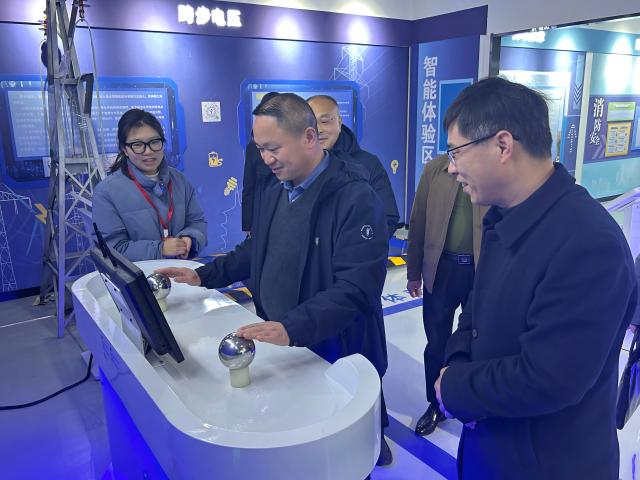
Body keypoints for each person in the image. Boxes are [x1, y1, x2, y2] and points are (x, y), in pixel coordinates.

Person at [157, 93, 393, 468]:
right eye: (260, 148)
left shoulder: (354, 196)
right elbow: (255, 250)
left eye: (273, 148)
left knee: (344, 450)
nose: (266, 159)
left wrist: (291, 327)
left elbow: (356, 289)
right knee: (302, 436)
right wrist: (203, 275)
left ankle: (372, 442)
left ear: (309, 137)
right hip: (285, 340)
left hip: (334, 344)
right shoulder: (273, 189)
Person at [433, 77, 637, 479]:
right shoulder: (504, 217)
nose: (451, 168)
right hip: (494, 444)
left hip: (548, 462)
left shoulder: (589, 243)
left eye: (456, 152)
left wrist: (457, 388)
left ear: (502, 146)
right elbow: (474, 313)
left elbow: (550, 378)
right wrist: (455, 366)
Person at [406, 152, 487, 436]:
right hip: (440, 269)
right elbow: (418, 221)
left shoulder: (489, 169)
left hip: (480, 271)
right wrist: (413, 272)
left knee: (479, 340)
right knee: (436, 342)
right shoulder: (435, 169)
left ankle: (472, 402)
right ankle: (436, 404)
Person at [93, 109, 207, 261]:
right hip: (139, 275)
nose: (148, 151)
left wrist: (190, 239)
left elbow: (197, 222)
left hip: (181, 271)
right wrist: (160, 249)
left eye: (154, 142)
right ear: (124, 149)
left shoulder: (180, 180)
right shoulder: (106, 192)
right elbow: (112, 249)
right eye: (137, 144)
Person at [307, 95, 400, 238]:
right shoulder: (292, 165)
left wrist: (353, 245)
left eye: (324, 121)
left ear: (339, 122)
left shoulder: (368, 164)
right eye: (311, 123)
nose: (318, 129)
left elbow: (388, 218)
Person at [241, 92, 280, 234]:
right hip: (262, 218)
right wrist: (248, 225)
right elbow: (248, 187)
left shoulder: (295, 143)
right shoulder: (253, 148)